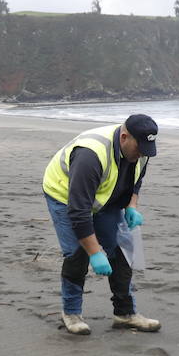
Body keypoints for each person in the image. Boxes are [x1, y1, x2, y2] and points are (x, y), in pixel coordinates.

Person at [42, 114, 161, 335]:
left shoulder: (143, 149)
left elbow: (136, 181)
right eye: (140, 148)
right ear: (124, 137)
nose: (143, 153)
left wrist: (131, 206)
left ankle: (125, 314)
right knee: (78, 252)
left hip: (106, 195)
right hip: (64, 195)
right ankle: (72, 313)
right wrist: (95, 252)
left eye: (147, 148)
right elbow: (78, 213)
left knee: (122, 249)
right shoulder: (91, 155)